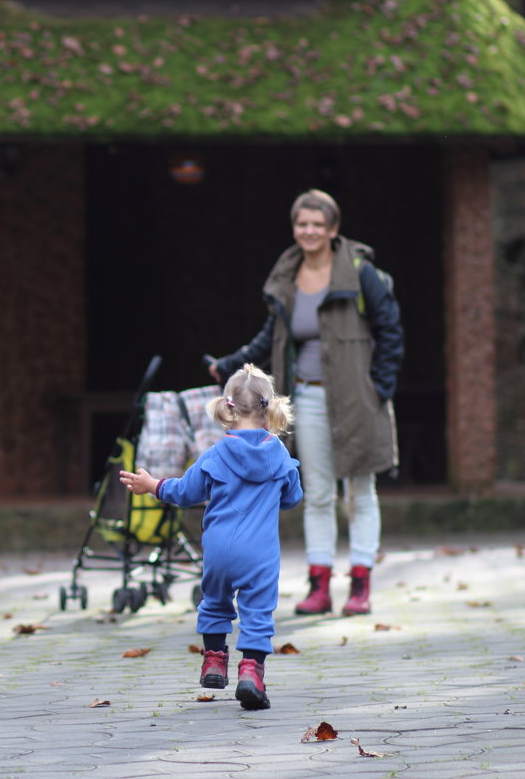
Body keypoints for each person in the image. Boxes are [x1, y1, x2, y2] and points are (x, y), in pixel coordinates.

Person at [207, 189, 403, 616]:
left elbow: (391, 332)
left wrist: (379, 389)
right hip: (307, 396)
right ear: (295, 228)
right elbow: (271, 338)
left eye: (318, 224)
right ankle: (319, 586)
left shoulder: (359, 273)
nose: (309, 231)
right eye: (302, 224)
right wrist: (229, 366)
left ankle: (360, 586)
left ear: (333, 230)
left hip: (357, 398)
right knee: (317, 493)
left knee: (360, 490)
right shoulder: (287, 275)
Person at [120, 364, 302, 711]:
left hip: (217, 551)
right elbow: (292, 498)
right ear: (270, 411)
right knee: (257, 612)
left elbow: (185, 492)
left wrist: (152, 485)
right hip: (260, 555)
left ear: (227, 410)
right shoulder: (278, 454)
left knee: (215, 602)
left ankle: (214, 661)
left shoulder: (215, 454)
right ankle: (251, 673)